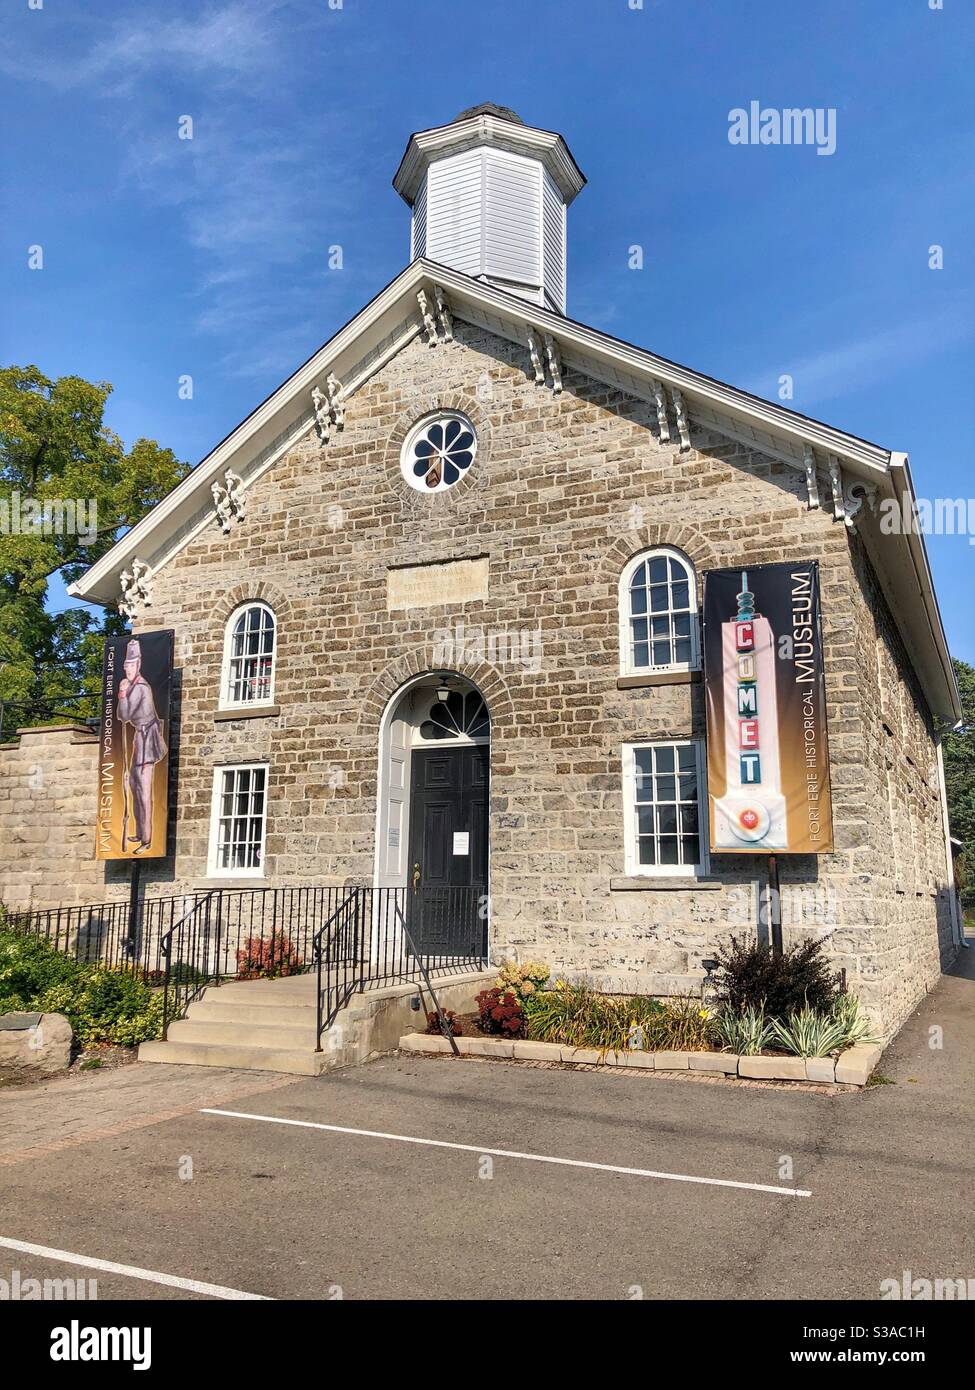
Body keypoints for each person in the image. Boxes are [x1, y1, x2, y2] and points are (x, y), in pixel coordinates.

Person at [117, 638, 166, 853]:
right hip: (140, 737)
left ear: (138, 665)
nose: (128, 669)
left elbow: (127, 714)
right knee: (135, 786)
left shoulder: (141, 688)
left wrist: (123, 694)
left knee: (145, 790)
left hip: (149, 738)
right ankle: (139, 831)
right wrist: (121, 693)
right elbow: (121, 715)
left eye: (131, 665)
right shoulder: (130, 687)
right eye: (126, 665)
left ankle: (147, 839)